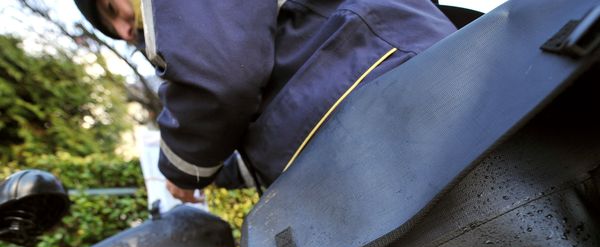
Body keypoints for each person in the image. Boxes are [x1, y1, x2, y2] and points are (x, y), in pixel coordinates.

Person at [74, 0, 456, 201]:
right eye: (113, 31)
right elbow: (270, 107)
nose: (125, 31)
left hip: (374, 85)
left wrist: (181, 171)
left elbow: (219, 77)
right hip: (380, 88)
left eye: (112, 10)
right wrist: (216, 172)